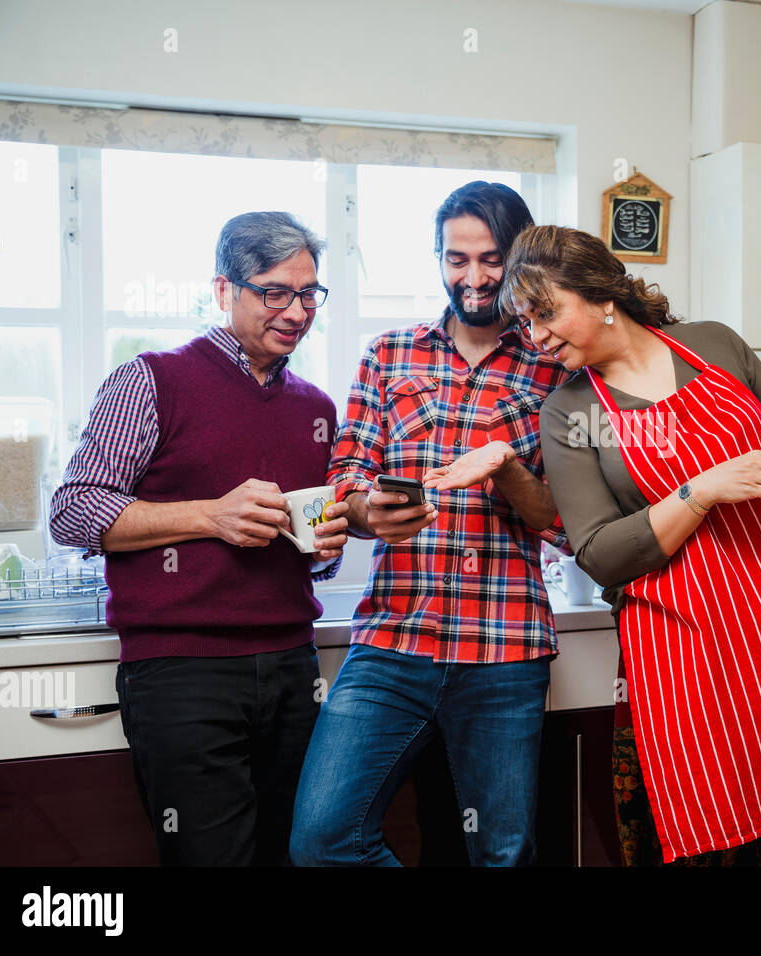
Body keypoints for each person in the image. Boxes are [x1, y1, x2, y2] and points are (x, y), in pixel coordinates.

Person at [503, 225, 761, 865]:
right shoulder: (568, 411)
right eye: (525, 321)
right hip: (688, 657)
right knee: (720, 830)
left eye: (545, 312)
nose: (536, 335)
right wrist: (700, 492)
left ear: (601, 295)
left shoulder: (716, 344)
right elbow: (598, 551)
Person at [49, 211, 351, 866]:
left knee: (293, 854)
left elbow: (309, 559)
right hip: (182, 672)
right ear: (223, 290)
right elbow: (73, 512)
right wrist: (209, 515)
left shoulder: (317, 409)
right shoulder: (150, 380)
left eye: (308, 293)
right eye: (275, 292)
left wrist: (326, 545)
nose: (297, 311)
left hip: (294, 667)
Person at [289, 182, 571, 867]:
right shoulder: (388, 355)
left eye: (490, 259)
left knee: (501, 856)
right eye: (456, 258)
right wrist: (362, 511)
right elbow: (345, 478)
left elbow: (565, 523)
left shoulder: (557, 365)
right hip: (392, 641)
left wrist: (504, 467)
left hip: (504, 647)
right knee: (322, 841)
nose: (472, 278)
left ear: (521, 261)